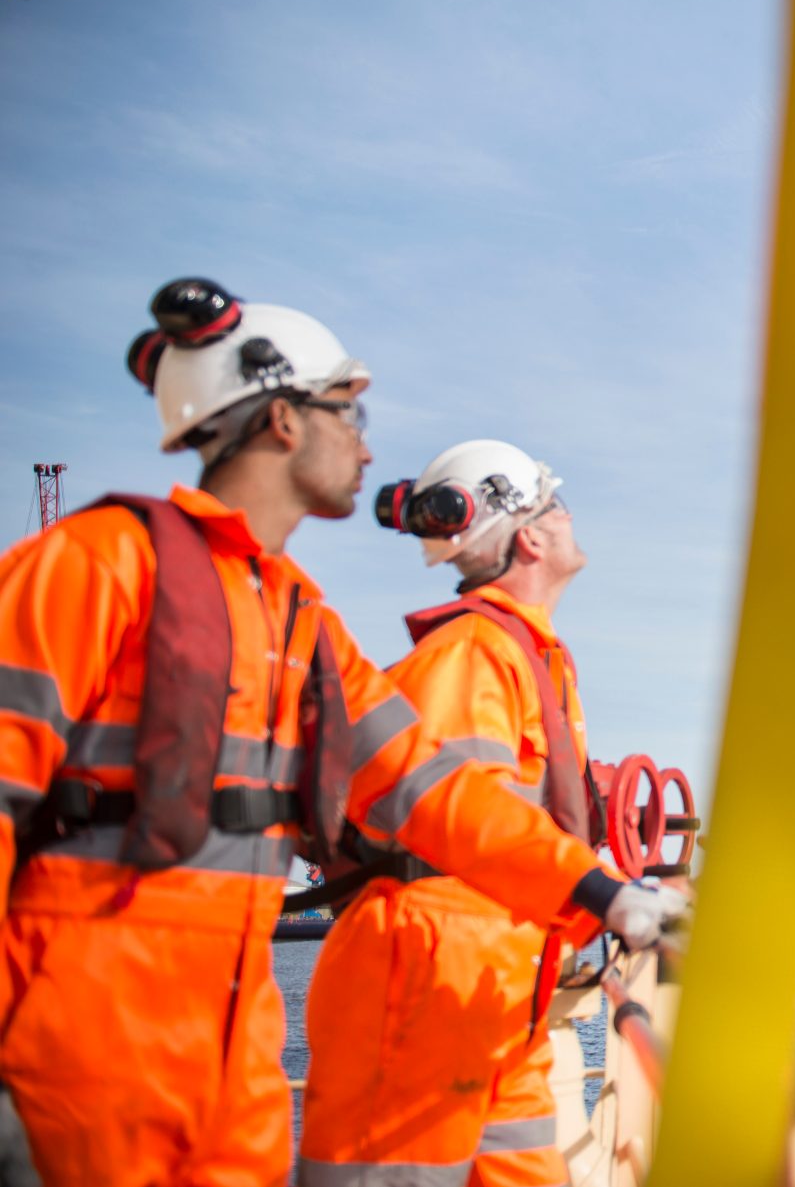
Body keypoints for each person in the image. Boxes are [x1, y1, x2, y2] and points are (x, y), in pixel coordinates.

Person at [0, 279, 677, 1187]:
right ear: (281, 420)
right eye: (346, 413)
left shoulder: (301, 627)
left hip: (233, 1061)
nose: (365, 445)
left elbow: (439, 792)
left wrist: (596, 889)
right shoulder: (96, 565)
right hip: (82, 1053)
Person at [301, 440, 669, 1186]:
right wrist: (598, 892)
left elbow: (514, 823)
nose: (570, 518)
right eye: (556, 503)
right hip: (428, 986)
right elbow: (457, 820)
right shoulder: (472, 654)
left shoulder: (527, 655)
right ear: (531, 535)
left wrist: (609, 890)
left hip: (498, 992)